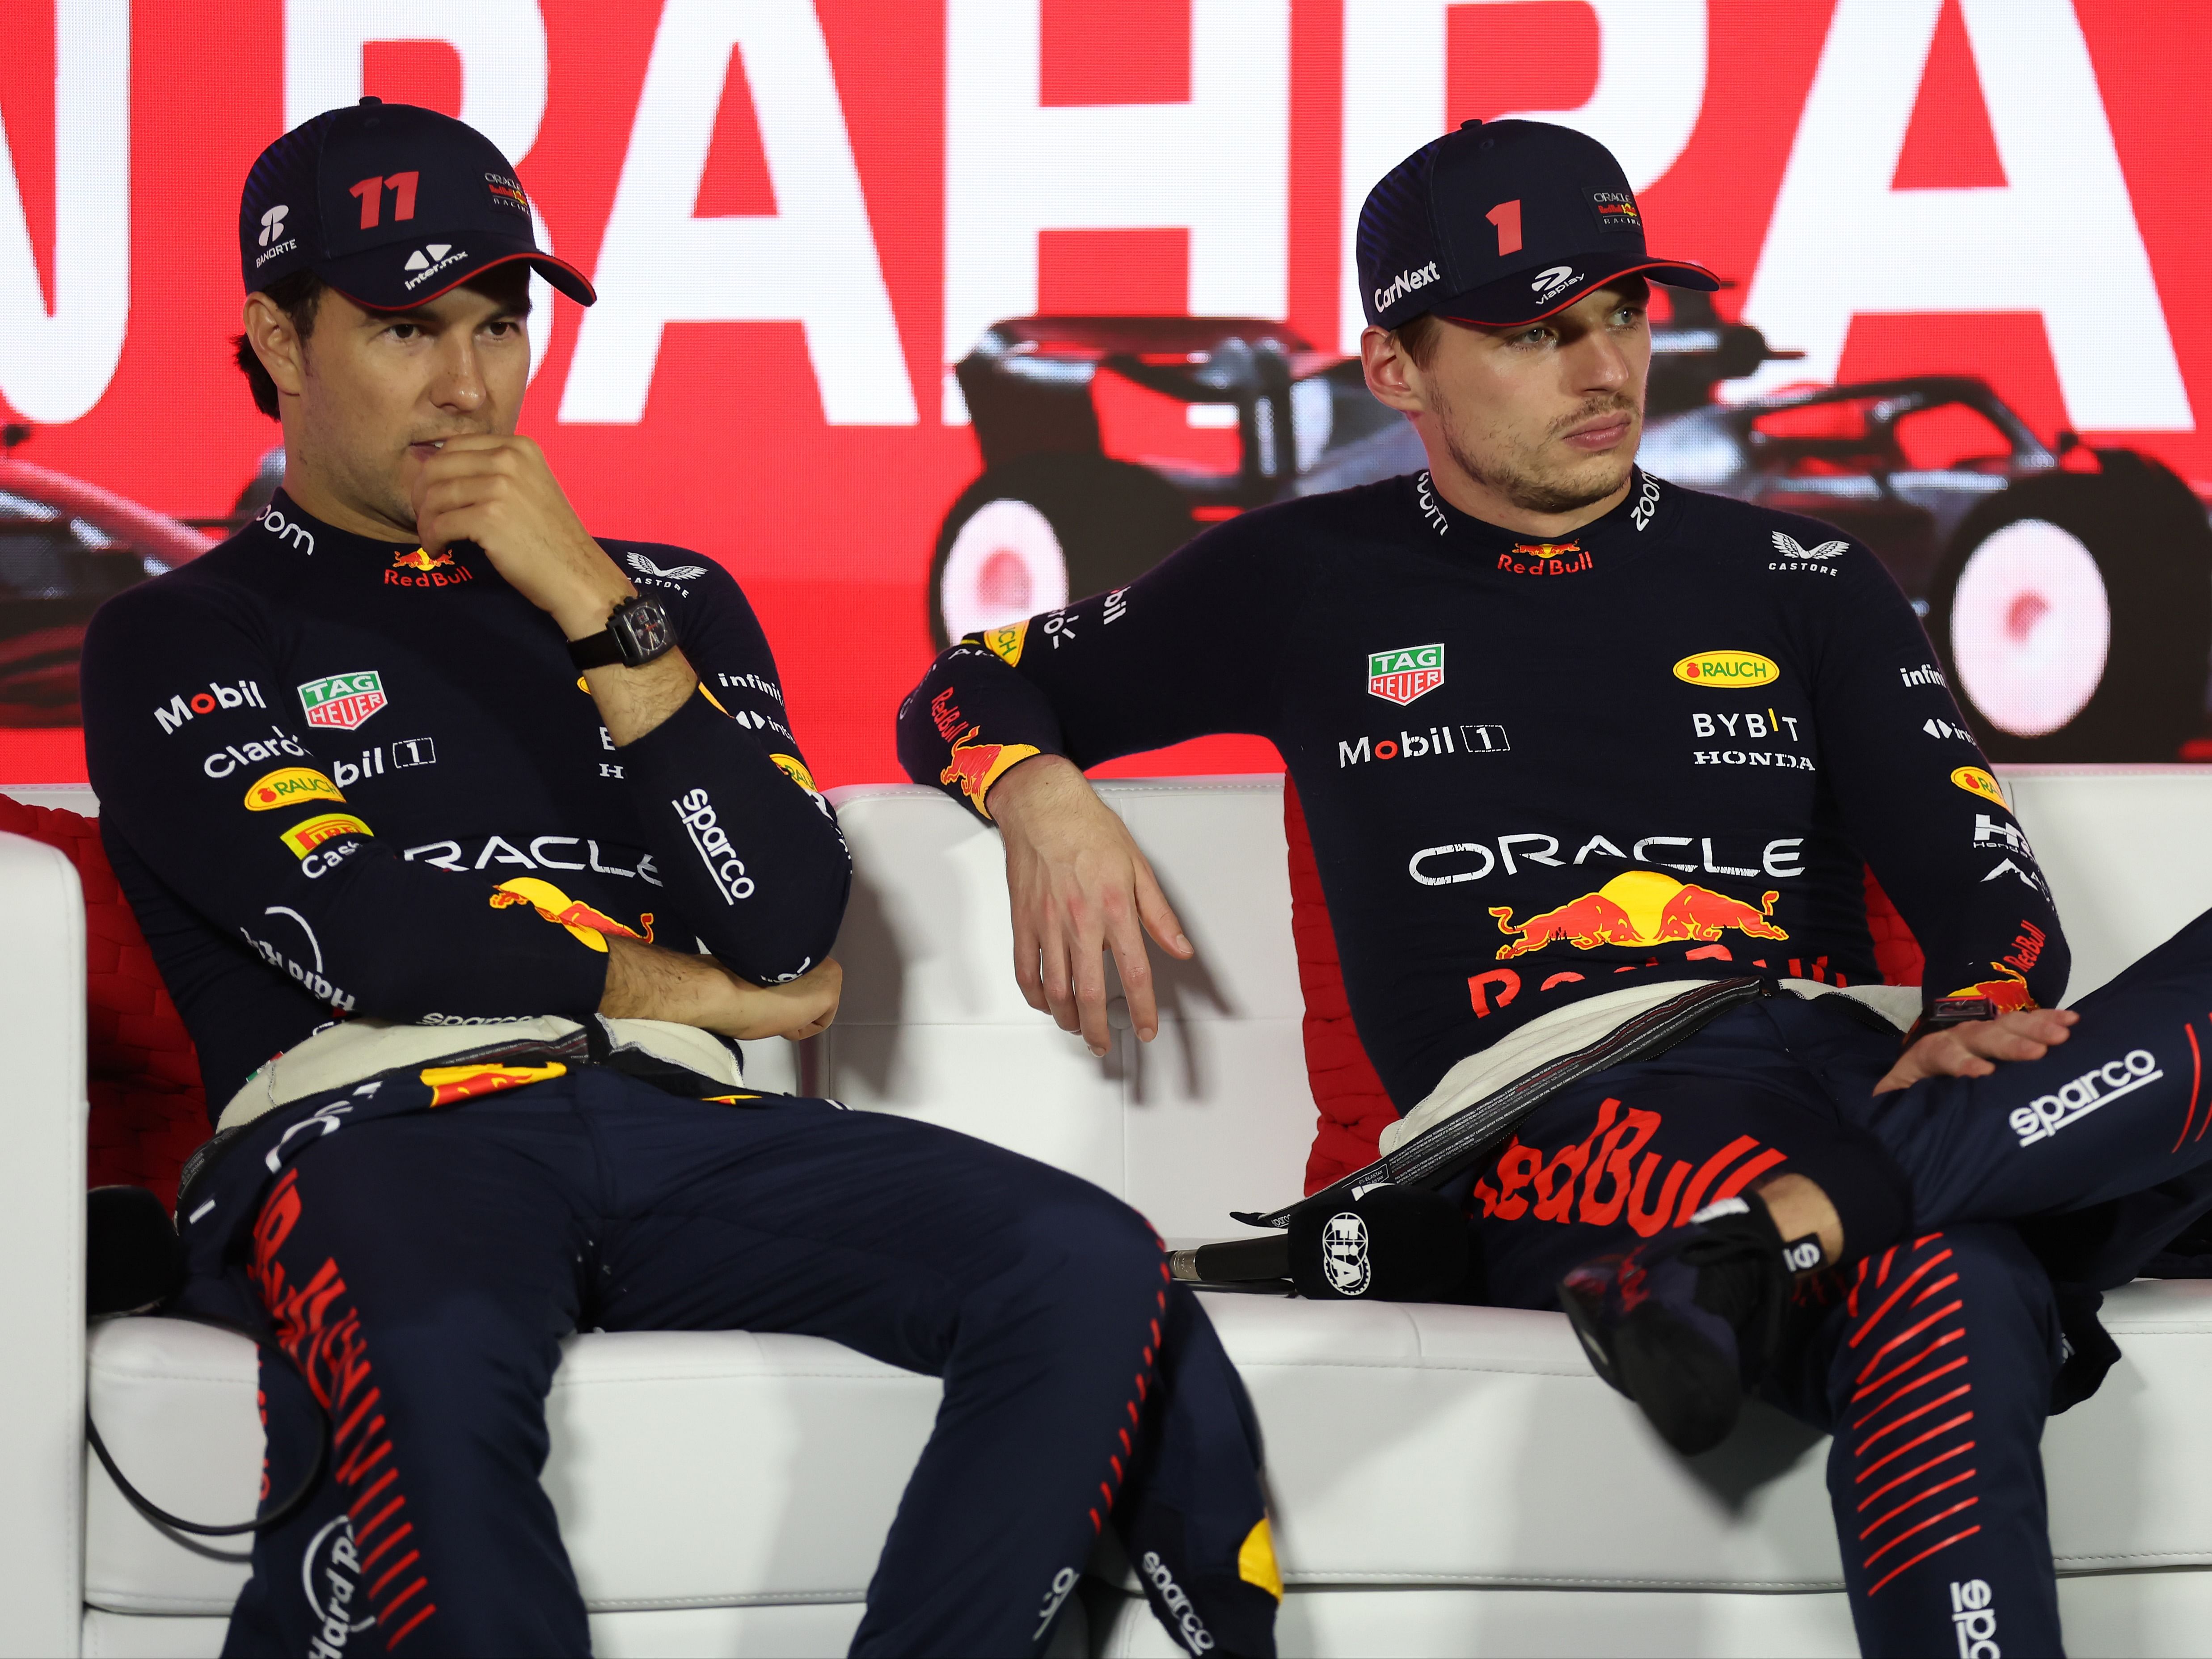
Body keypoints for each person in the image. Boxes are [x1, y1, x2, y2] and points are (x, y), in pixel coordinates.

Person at [897, 117, 2212, 1658]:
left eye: (1623, 313)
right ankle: (1861, 1214)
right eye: (1533, 333)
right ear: (1396, 368)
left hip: (1854, 1072)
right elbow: (965, 683)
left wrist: (1977, 1016)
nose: (1606, 371)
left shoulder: (1808, 577)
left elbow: (1982, 881)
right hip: (1547, 1113)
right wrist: (1037, 790)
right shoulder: (1298, 574)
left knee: (1929, 1217)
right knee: (1951, 1264)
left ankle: (1789, 1235)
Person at [83, 99, 1281, 1659]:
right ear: (279, 338)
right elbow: (376, 936)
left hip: (680, 1127)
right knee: (431, 1354)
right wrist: (707, 995)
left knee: (1083, 1257)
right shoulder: (182, 630)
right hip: (379, 1131)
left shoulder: (665, 600)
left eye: (499, 323)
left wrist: (593, 606)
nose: (468, 385)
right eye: (401, 329)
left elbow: (783, 913)